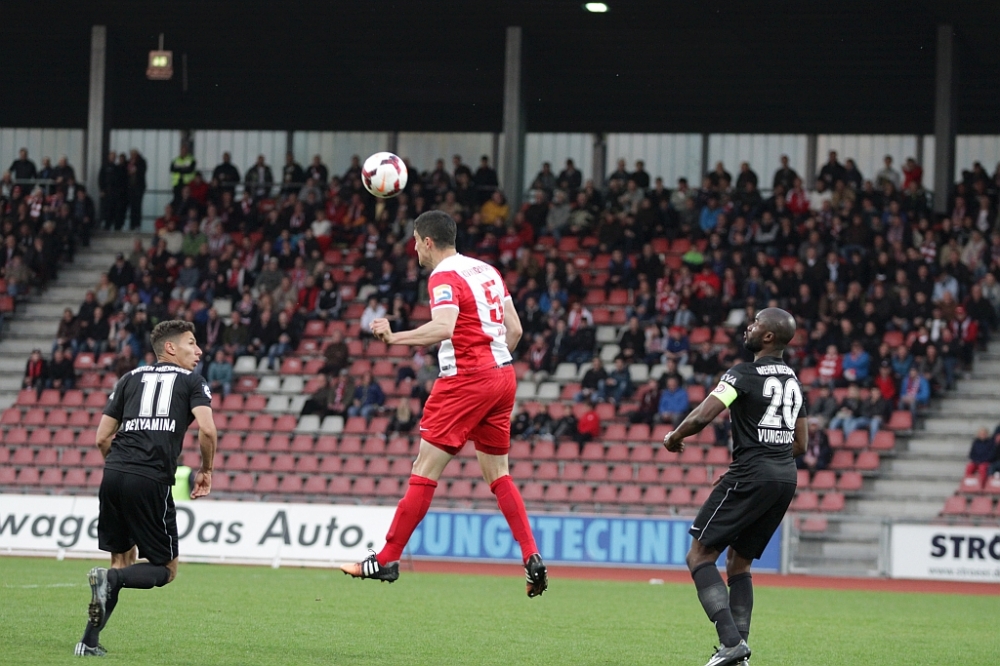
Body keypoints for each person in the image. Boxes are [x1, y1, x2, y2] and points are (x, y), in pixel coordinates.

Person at [340, 210, 547, 597]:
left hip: (465, 379)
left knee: (424, 469)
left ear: (428, 241)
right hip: (503, 376)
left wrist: (394, 338)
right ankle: (531, 555)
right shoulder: (487, 271)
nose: (414, 248)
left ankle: (386, 558)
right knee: (498, 474)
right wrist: (492, 366)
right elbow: (515, 329)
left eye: (415, 241)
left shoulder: (443, 275)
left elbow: (444, 327)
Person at [662, 308, 807, 666]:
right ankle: (738, 654)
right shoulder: (793, 380)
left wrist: (674, 436)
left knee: (699, 555)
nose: (749, 327)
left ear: (769, 336)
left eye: (756, 323)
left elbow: (703, 415)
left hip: (752, 474)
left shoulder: (741, 375)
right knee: (739, 564)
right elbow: (801, 444)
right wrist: (766, 461)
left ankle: (731, 643)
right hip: (784, 479)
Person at [75, 320, 217, 657]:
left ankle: (88, 642)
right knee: (166, 569)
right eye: (191, 343)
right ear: (170, 348)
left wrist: (120, 467)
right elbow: (208, 430)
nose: (198, 351)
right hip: (151, 478)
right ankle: (109, 583)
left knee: (121, 561)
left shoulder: (128, 379)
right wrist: (206, 470)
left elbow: (101, 438)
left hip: (113, 474)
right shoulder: (193, 381)